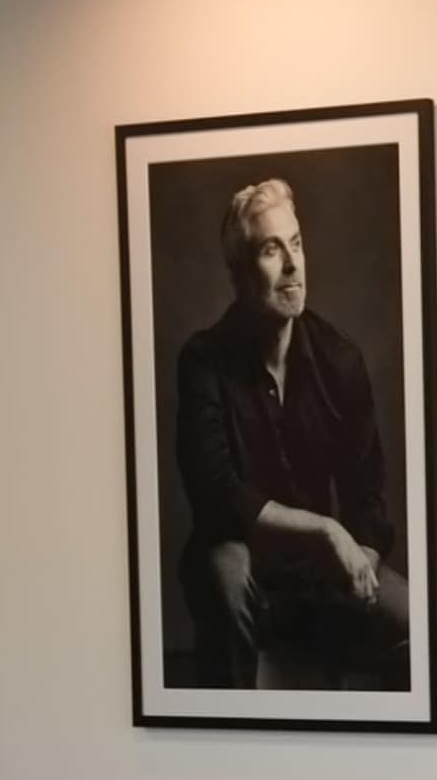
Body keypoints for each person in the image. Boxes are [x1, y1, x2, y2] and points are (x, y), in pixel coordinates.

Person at [172, 175, 410, 690]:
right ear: (238, 273)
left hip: (316, 568)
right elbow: (217, 493)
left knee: (418, 626)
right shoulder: (203, 360)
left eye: (296, 244)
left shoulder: (340, 359)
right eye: (271, 250)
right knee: (227, 576)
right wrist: (326, 529)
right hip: (238, 551)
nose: (292, 265)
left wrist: (361, 562)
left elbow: (368, 494)